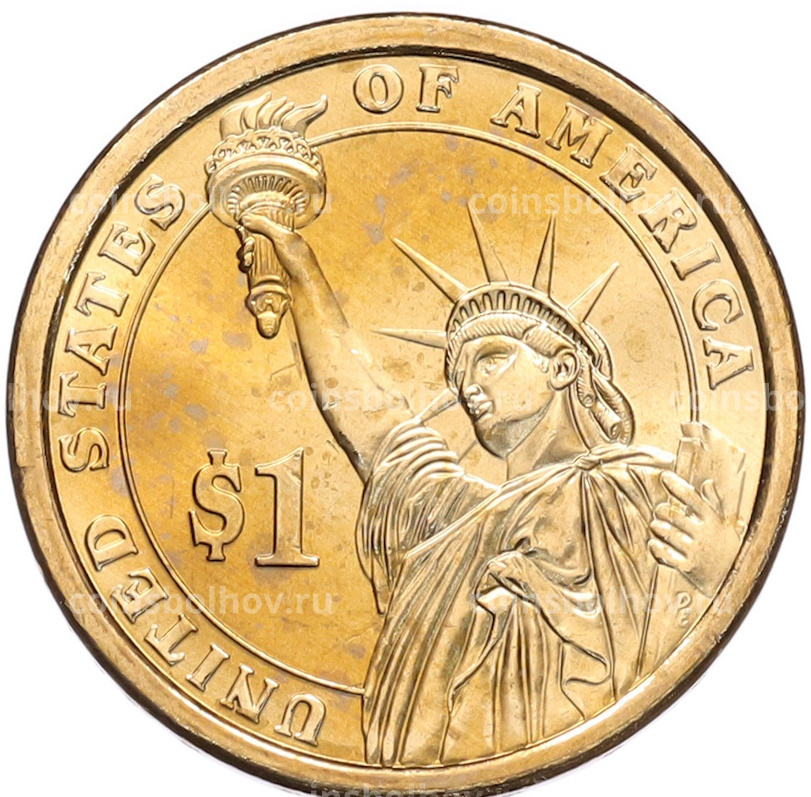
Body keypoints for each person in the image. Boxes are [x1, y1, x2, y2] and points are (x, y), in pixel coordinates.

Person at [238, 204, 743, 768]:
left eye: (491, 358)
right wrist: (302, 271)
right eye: (459, 375)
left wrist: (720, 564)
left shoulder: (645, 488)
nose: (467, 386)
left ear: (562, 368)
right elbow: (372, 422)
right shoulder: (460, 518)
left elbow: (712, 668)